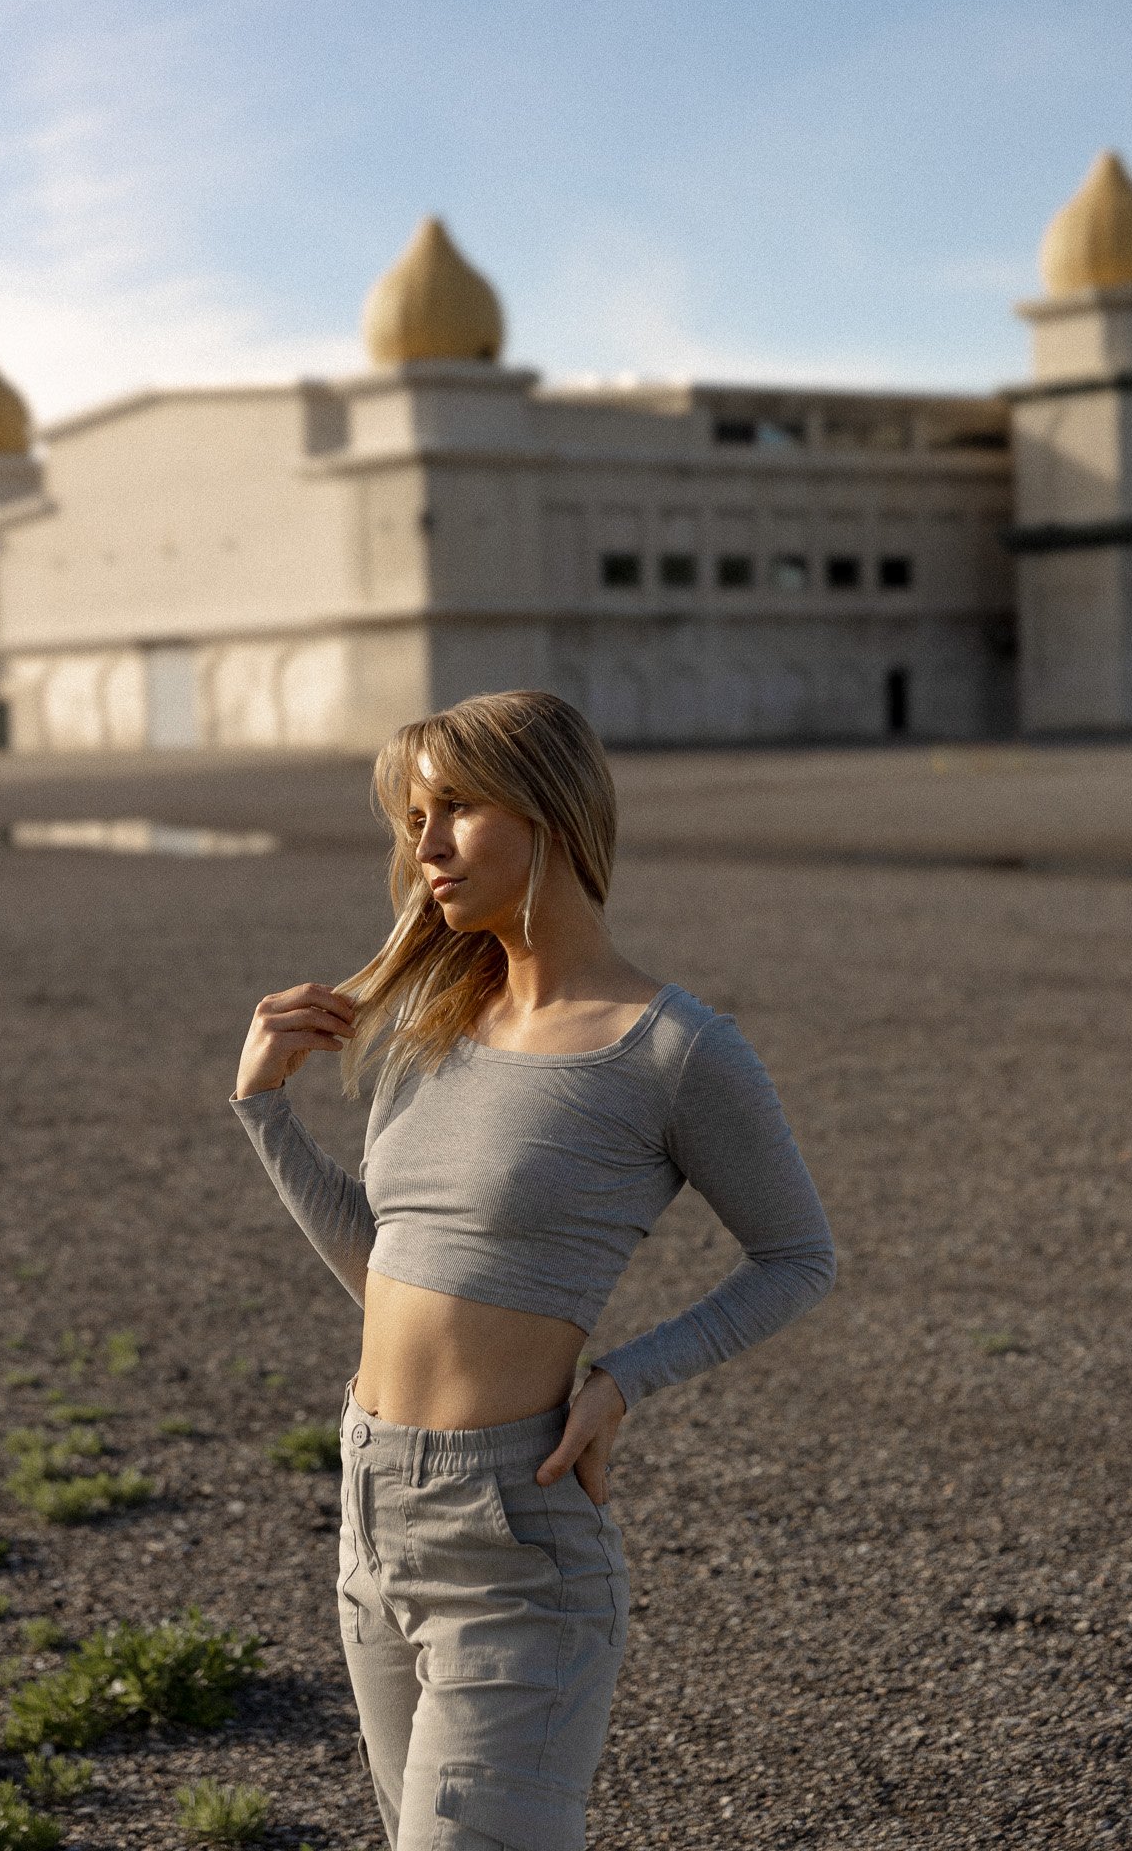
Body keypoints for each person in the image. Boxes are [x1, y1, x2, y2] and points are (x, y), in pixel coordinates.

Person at [231, 689, 836, 1851]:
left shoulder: (671, 1048)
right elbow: (390, 1266)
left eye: (456, 806)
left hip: (513, 1545)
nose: (426, 845)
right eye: (414, 816)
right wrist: (261, 1110)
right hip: (370, 1510)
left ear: (550, 809)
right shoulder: (433, 1021)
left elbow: (797, 1257)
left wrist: (623, 1379)